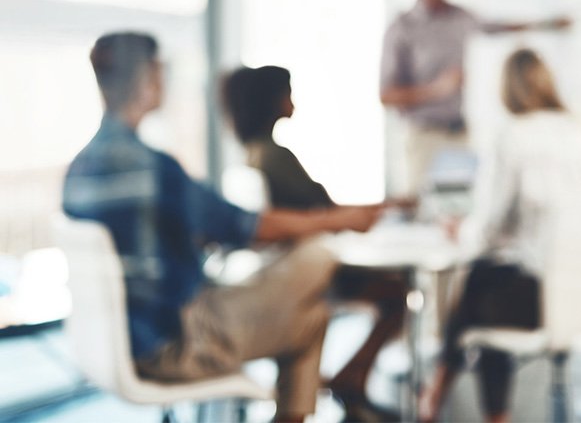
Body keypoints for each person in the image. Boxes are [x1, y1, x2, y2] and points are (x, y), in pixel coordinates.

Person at [62, 33, 382, 423]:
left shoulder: (78, 169)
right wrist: (340, 221)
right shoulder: (154, 168)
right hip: (178, 342)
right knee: (318, 254)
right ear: (148, 80)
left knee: (311, 318)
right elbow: (245, 226)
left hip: (116, 344)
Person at [420, 48, 581, 423]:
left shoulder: (514, 136)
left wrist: (460, 233)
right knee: (486, 285)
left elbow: (489, 223)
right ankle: (443, 398)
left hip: (536, 295)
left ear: (508, 89)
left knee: (478, 282)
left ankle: (436, 397)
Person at [221, 65, 408, 422]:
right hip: (297, 274)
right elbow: (326, 212)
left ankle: (348, 382)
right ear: (273, 100)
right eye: (288, 92)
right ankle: (351, 381)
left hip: (278, 274)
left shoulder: (255, 153)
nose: (293, 100)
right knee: (395, 292)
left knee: (315, 319)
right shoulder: (274, 156)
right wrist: (368, 213)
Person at [380, 0, 571, 194]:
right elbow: (386, 95)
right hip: (424, 136)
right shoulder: (403, 26)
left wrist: (548, 24)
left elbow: (500, 27)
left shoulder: (462, 18)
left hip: (460, 134)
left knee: (465, 205)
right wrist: (438, 89)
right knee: (423, 208)